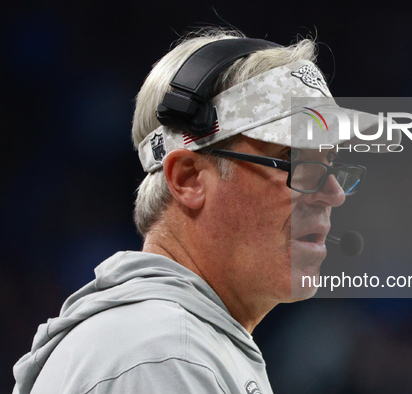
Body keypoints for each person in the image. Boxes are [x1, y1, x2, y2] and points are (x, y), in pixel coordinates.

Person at [12, 28, 384, 394]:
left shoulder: (178, 344)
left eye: (330, 164)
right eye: (294, 161)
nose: (334, 193)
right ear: (188, 178)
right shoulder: (166, 356)